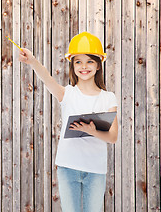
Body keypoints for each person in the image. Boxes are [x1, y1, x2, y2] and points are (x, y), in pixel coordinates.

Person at [18, 31, 118, 212]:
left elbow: (112, 137)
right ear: (72, 65)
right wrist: (32, 61)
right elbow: (47, 79)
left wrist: (92, 130)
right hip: (68, 167)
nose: (83, 66)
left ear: (98, 65)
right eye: (78, 61)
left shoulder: (108, 98)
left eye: (89, 61)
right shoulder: (67, 94)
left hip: (95, 170)